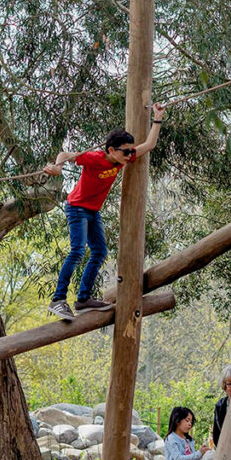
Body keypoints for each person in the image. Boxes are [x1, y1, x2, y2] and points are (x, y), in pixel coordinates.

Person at [43, 103, 166, 321]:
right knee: (78, 250)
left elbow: (150, 144)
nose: (130, 155)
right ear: (111, 150)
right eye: (126, 151)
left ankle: (83, 299)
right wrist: (57, 168)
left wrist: (157, 117)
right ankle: (58, 300)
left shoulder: (122, 160)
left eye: (131, 150)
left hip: (92, 212)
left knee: (100, 251)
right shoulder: (95, 158)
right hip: (77, 209)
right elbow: (64, 153)